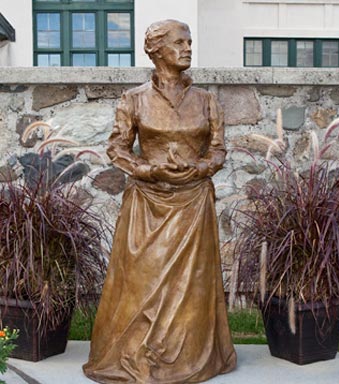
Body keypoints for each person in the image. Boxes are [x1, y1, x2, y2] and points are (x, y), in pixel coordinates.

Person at [83, 19, 237, 383]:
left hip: (193, 202)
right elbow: (117, 148)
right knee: (142, 284)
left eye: (189, 42)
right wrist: (147, 169)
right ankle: (138, 353)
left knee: (192, 287)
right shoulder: (134, 99)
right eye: (179, 43)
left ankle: (191, 356)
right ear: (156, 51)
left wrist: (199, 166)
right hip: (147, 205)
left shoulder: (206, 100)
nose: (187, 48)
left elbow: (218, 150)